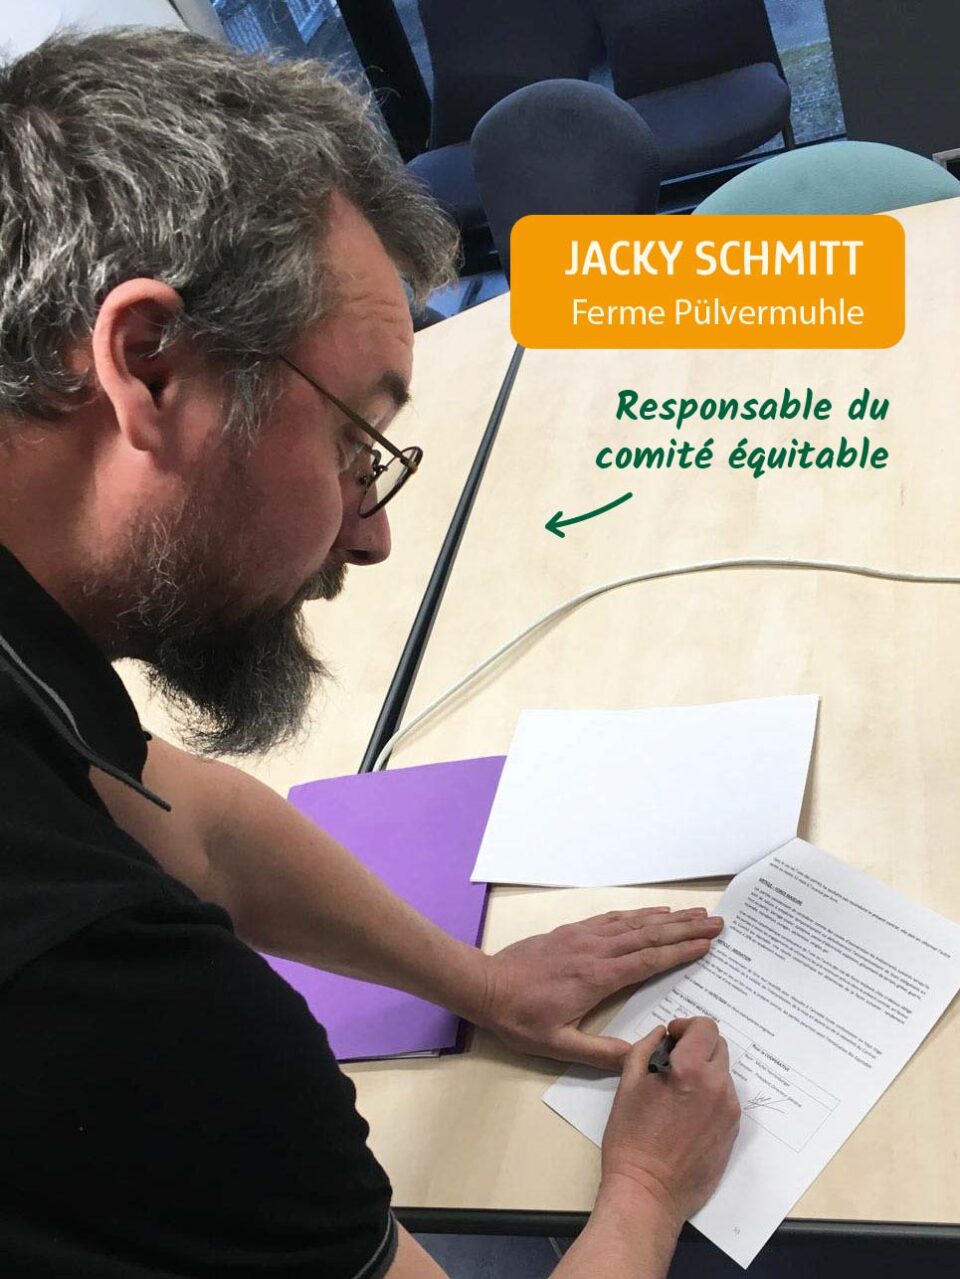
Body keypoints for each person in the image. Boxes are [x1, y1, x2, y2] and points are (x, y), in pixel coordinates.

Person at [0, 28, 740, 1278]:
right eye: (357, 441)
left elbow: (188, 816)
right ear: (150, 365)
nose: (374, 531)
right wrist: (648, 1188)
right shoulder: (118, 1000)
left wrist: (480, 984)